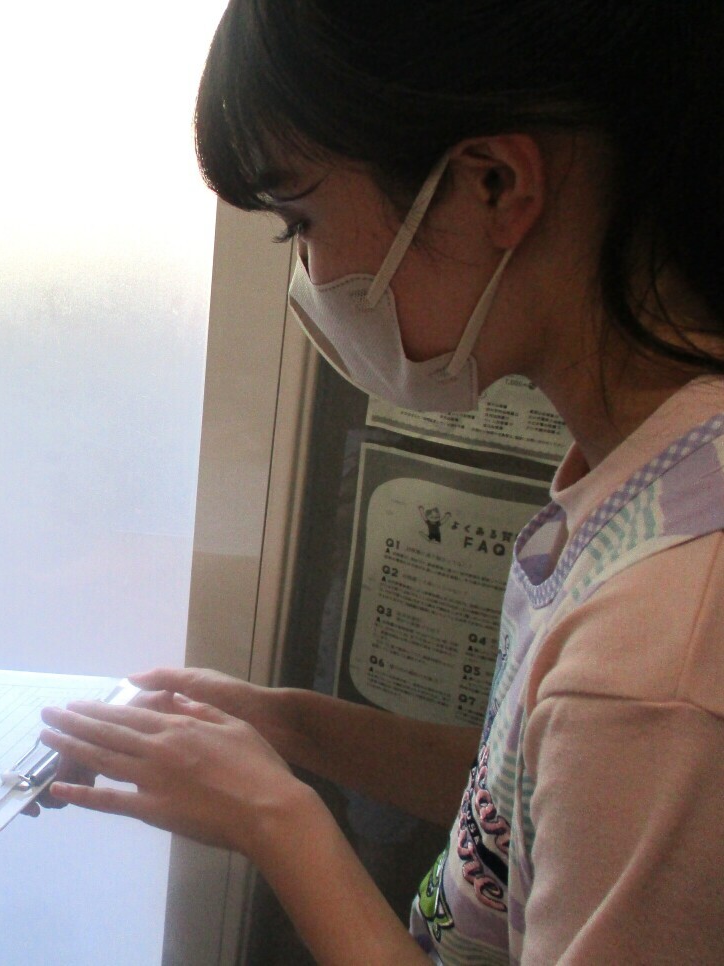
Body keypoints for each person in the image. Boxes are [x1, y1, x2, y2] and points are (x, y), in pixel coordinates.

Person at [40, 1, 724, 962]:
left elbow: (617, 729)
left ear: (493, 185)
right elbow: (534, 796)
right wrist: (284, 723)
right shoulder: (646, 474)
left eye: (302, 221)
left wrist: (277, 821)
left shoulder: (665, 646)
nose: (310, 274)